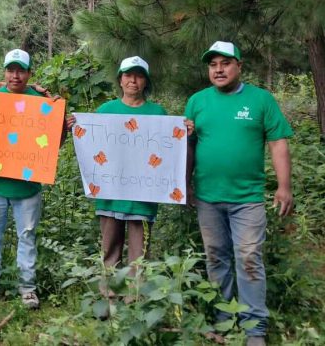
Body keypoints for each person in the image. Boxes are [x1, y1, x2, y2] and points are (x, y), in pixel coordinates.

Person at [185, 41, 293, 346]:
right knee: (216, 257)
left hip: (247, 198)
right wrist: (185, 183)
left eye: (225, 63)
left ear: (239, 66)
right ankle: (224, 319)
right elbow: (188, 147)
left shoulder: (261, 100)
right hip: (207, 197)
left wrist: (284, 187)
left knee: (248, 258)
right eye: (213, 64)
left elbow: (278, 144)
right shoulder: (197, 101)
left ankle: (254, 328)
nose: (218, 69)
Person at [0, 49, 73, 309]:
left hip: (27, 188)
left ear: (29, 73)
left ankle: (27, 288)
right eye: (11, 70)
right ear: (4, 72)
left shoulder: (42, 101)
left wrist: (61, 122)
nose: (15, 75)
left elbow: (53, 145)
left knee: (27, 236)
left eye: (21, 70)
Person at [94, 57, 168, 279]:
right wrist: (75, 127)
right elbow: (91, 145)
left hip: (142, 197)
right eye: (128, 75)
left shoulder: (159, 114)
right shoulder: (105, 111)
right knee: (109, 250)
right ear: (120, 79)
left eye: (139, 75)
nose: (133, 80)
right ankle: (109, 299)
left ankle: (135, 301)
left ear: (146, 81)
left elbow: (168, 150)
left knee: (139, 255)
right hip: (110, 194)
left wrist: (184, 131)